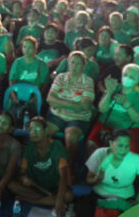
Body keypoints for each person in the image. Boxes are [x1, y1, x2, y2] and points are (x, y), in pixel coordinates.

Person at [8, 117, 74, 217]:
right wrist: (24, 178)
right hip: (36, 187)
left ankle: (32, 200)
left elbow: (63, 175)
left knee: (68, 196)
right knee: (12, 185)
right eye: (30, 129)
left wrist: (59, 199)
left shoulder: (57, 146)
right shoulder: (29, 148)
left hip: (55, 187)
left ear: (46, 130)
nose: (33, 132)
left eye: (37, 129)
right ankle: (48, 200)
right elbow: (21, 173)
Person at [46, 50, 95, 180]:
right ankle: (45, 165)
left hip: (78, 118)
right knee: (42, 132)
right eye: (72, 62)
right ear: (68, 63)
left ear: (84, 66)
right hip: (57, 115)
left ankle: (69, 169)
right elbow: (50, 99)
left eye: (78, 63)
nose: (74, 66)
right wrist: (73, 104)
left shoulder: (88, 81)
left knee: (71, 137)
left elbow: (85, 106)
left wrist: (60, 103)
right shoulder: (60, 77)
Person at [87, 64, 139, 156]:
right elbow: (102, 109)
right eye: (125, 75)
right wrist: (109, 92)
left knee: (128, 152)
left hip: (126, 129)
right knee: (91, 145)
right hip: (105, 125)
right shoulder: (114, 87)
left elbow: (137, 119)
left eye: (132, 77)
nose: (127, 78)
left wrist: (127, 104)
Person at [85, 130, 139, 216]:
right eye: (120, 146)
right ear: (111, 143)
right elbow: (89, 180)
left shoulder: (136, 159)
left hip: (125, 199)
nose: (123, 150)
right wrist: (97, 178)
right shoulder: (99, 154)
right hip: (98, 196)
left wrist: (138, 200)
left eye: (127, 146)